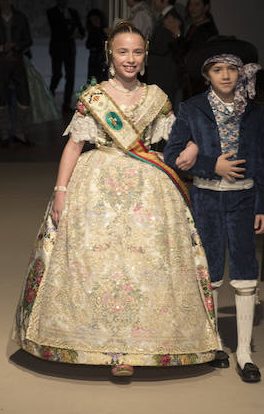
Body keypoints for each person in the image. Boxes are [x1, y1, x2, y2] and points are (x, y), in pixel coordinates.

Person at [12, 21, 221, 378]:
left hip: (147, 189)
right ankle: (96, 344)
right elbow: (74, 146)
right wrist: (61, 193)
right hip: (96, 185)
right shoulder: (95, 97)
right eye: (123, 51)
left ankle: (141, 347)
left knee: (146, 266)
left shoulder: (156, 96)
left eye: (137, 52)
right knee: (97, 265)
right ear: (110, 53)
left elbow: (176, 139)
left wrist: (192, 147)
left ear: (145, 55)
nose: (131, 59)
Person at [163, 36, 264, 383]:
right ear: (206, 75)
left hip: (243, 199)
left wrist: (263, 205)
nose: (225, 76)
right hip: (208, 199)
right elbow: (172, 155)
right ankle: (211, 343)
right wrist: (212, 165)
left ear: (241, 73)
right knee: (209, 270)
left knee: (244, 270)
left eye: (231, 69)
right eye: (217, 69)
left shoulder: (254, 110)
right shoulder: (193, 108)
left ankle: (244, 351)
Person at [0, 0, 34, 147]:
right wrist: (0, 47)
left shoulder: (20, 17)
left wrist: (17, 45)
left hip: (18, 60)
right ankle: (4, 133)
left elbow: (28, 40)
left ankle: (19, 132)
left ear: (11, 0)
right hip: (0, 62)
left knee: (24, 96)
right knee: (1, 97)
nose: (4, 2)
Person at [146, 0, 183, 104]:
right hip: (160, 72)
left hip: (164, 74)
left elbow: (162, 47)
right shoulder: (165, 16)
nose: (153, 1)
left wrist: (144, 46)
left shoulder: (171, 18)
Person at [46, 0, 84, 111]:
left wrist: (78, 34)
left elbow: (81, 30)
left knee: (70, 76)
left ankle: (66, 104)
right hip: (57, 48)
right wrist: (70, 27)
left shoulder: (73, 12)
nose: (64, 1)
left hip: (69, 49)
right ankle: (49, 95)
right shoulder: (51, 12)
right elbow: (58, 28)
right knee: (57, 74)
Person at [84, 8, 108, 82]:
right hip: (94, 60)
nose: (94, 22)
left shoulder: (105, 30)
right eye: (92, 20)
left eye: (96, 19)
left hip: (102, 60)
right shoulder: (92, 31)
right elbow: (88, 45)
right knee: (94, 83)